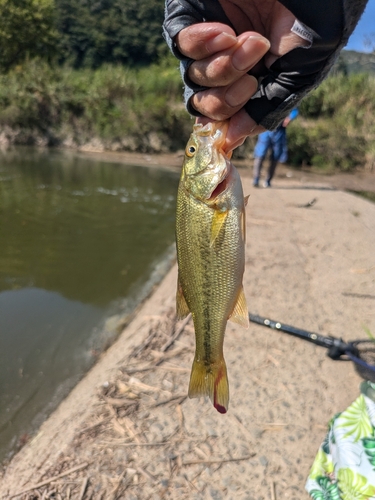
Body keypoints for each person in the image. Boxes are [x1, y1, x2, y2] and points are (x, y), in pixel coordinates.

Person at [163, 0, 368, 154]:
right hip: (265, 127)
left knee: (272, 152)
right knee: (262, 153)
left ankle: (264, 180)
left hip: (274, 129)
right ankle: (260, 179)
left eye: (191, 152)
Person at [253, 107, 298, 187]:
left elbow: (295, 109)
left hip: (279, 129)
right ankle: (256, 179)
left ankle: (268, 180)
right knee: (260, 154)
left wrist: (290, 118)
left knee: (276, 156)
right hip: (266, 128)